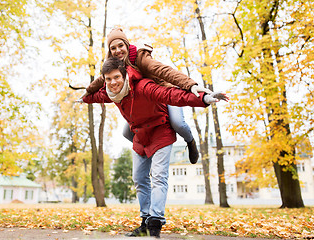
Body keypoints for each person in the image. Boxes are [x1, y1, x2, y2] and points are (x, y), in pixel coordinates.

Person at [81, 58, 228, 238]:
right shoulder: (113, 92)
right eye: (108, 79)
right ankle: (145, 221)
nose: (113, 83)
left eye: (117, 77)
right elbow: (95, 96)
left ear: (125, 74)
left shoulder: (143, 85)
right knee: (139, 178)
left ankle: (155, 222)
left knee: (159, 176)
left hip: (161, 130)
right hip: (141, 135)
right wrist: (83, 98)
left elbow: (173, 96)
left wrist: (204, 98)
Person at [81, 28, 213, 164]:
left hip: (165, 93)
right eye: (113, 48)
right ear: (110, 51)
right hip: (147, 103)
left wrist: (190, 85)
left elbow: (163, 70)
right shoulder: (115, 66)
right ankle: (149, 153)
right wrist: (88, 90)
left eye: (120, 45)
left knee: (178, 123)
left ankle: (190, 141)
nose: (118, 50)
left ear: (126, 45)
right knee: (126, 132)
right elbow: (102, 79)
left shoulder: (140, 58)